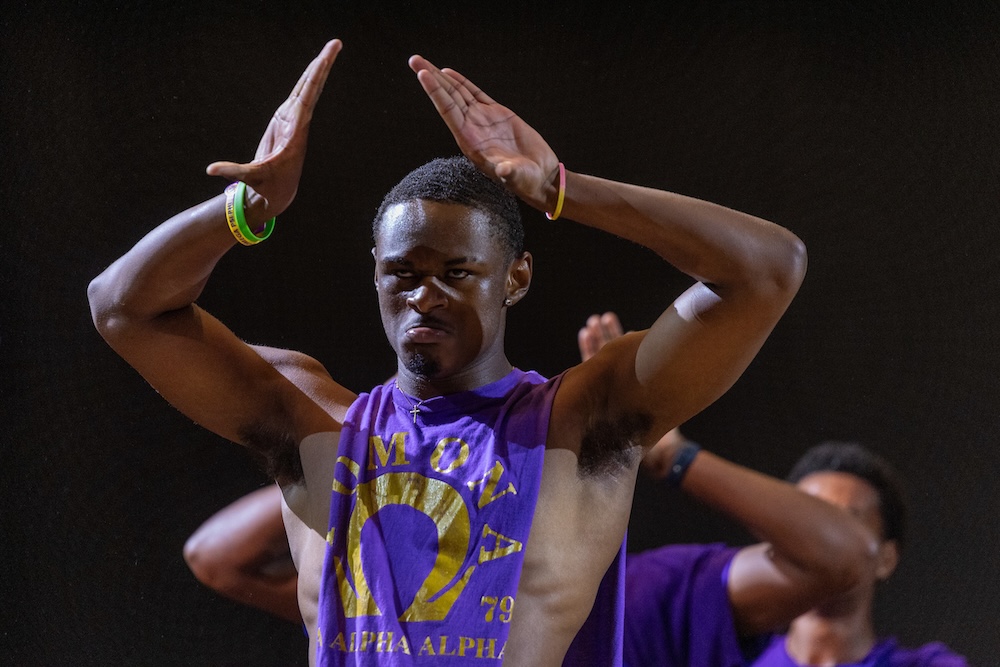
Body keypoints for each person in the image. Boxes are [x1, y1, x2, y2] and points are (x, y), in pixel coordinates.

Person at [88, 38, 807, 666]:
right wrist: (243, 212)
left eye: (456, 273)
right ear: (375, 272)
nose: (423, 295)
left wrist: (563, 190)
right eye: (402, 273)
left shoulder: (581, 421)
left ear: (514, 277)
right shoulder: (311, 419)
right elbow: (123, 306)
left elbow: (767, 269)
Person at [580, 312, 970, 667]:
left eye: (844, 518)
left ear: (886, 557)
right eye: (806, 514)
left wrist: (674, 457)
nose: (818, 535)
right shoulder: (710, 646)